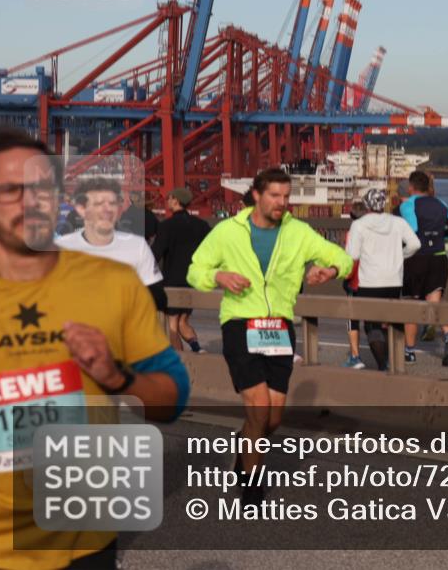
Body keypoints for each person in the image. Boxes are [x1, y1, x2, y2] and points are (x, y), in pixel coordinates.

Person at [0, 129, 188, 570]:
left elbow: (171, 400)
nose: (29, 201)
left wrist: (118, 376)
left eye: (41, 187)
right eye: (9, 190)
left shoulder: (112, 282)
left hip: (83, 539)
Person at [187, 167, 352, 504]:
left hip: (279, 327)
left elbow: (342, 257)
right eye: (275, 196)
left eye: (286, 197)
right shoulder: (227, 232)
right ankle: (251, 484)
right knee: (259, 408)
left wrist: (331, 269)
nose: (282, 203)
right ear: (257, 195)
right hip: (239, 324)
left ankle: (244, 442)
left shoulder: (298, 232)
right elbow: (195, 270)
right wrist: (219, 277)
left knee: (271, 419)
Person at [55, 177, 168, 314]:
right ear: (81, 209)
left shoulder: (137, 246)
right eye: (98, 203)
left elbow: (159, 299)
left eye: (112, 203)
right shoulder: (60, 248)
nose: (106, 209)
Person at [346, 189, 420, 370]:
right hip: (394, 280)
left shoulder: (359, 225)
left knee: (372, 325)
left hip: (369, 281)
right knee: (392, 320)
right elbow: (415, 244)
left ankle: (383, 363)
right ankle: (395, 359)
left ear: (367, 205)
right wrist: (400, 256)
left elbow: (352, 254)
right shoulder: (398, 222)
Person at [399, 171, 448, 366]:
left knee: (411, 303)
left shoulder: (408, 205)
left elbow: (413, 231)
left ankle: (409, 351)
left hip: (417, 259)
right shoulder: (441, 204)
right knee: (435, 301)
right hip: (439, 258)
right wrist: (439, 236)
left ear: (411, 187)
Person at [151, 187, 211, 353]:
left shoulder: (166, 226)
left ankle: (182, 360)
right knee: (183, 321)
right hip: (192, 279)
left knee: (172, 326)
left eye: (169, 198)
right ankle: (198, 349)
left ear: (176, 201)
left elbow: (155, 255)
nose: (167, 201)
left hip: (172, 281)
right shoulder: (202, 225)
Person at [341, 200, 369, 369]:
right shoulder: (374, 231)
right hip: (373, 280)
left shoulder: (352, 233)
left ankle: (355, 356)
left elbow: (350, 259)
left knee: (352, 318)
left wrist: (346, 277)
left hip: (356, 280)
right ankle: (387, 357)